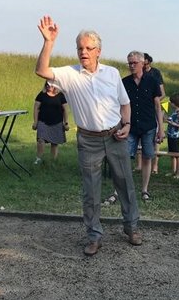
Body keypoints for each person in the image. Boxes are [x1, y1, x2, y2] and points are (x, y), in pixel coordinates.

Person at [35, 15, 141, 256]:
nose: (83, 52)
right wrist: (48, 42)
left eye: (88, 48)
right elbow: (41, 70)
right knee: (91, 191)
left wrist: (127, 124)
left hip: (115, 136)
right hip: (89, 140)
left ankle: (131, 227)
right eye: (80, 48)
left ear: (98, 51)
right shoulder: (69, 75)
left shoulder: (112, 74)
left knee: (125, 183)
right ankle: (94, 235)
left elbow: (125, 104)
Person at [103, 51, 164, 204]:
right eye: (129, 63)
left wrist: (161, 129)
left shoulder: (152, 81)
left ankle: (144, 190)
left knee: (147, 156)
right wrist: (117, 125)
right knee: (123, 157)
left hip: (148, 125)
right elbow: (119, 106)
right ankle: (117, 191)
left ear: (143, 63)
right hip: (129, 126)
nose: (131, 66)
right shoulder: (124, 82)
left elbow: (158, 106)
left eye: (134, 63)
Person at [32, 81, 69, 165]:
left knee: (54, 143)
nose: (48, 86)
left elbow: (65, 109)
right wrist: (35, 122)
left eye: (50, 85)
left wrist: (66, 122)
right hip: (43, 121)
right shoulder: (41, 94)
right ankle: (38, 159)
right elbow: (36, 108)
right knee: (41, 140)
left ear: (55, 86)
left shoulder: (60, 96)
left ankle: (53, 161)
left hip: (57, 122)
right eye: (47, 85)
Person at [141, 53, 165, 174]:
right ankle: (139, 164)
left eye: (145, 64)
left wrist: (153, 102)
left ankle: (155, 165)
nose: (143, 66)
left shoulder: (156, 73)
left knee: (155, 137)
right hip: (142, 110)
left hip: (154, 108)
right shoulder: (138, 73)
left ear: (149, 62)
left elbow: (162, 94)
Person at [164, 93, 179, 179]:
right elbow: (170, 120)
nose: (169, 103)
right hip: (170, 136)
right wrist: (165, 118)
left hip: (175, 137)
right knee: (172, 154)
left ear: (175, 103)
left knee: (177, 155)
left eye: (171, 102)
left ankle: (178, 173)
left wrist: (173, 124)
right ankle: (173, 171)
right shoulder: (175, 112)